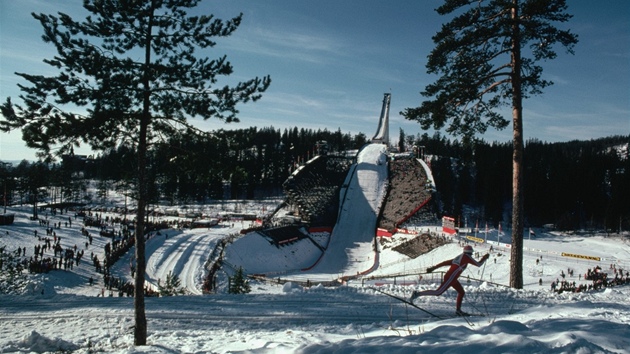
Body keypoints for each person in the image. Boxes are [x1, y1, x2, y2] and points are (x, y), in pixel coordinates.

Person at [410, 245, 489, 316]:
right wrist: (484, 258)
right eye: (471, 254)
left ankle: (458, 310)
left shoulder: (459, 257)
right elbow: (478, 264)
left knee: (461, 292)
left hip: (452, 278)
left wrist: (433, 268)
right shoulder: (467, 257)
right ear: (470, 253)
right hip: (451, 278)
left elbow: (445, 263)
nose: (471, 255)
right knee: (438, 292)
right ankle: (417, 294)